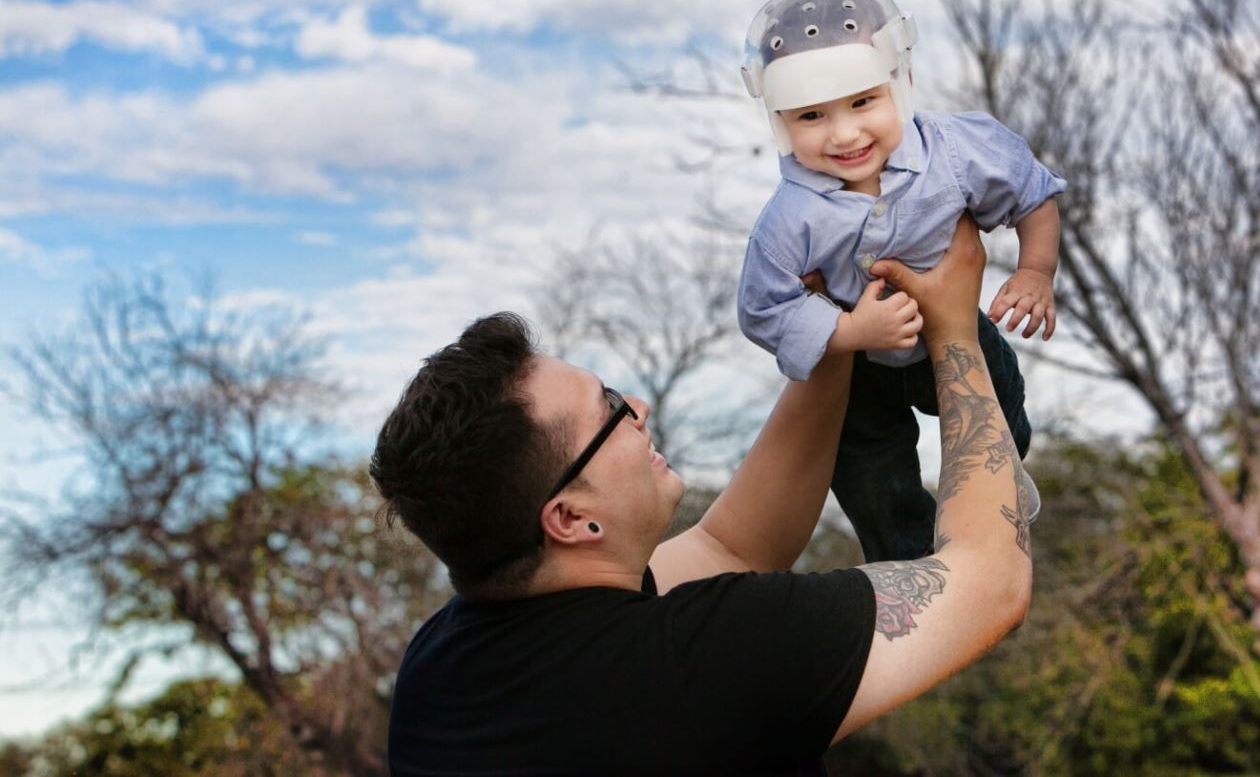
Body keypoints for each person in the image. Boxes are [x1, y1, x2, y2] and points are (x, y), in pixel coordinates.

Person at [370, 215, 1032, 776]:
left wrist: (832, 334)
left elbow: (738, 541)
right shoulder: (710, 660)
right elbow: (992, 580)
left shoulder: (442, 670)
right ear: (571, 516)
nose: (638, 405)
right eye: (610, 410)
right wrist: (953, 332)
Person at [737, 0, 1064, 561]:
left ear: (901, 83)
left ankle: (998, 490)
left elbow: (1032, 193)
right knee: (867, 471)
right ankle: (908, 558)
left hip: (959, 326)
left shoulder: (955, 151)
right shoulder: (790, 218)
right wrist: (849, 333)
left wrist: (1036, 271)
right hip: (862, 364)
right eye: (811, 116)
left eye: (863, 101)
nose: (845, 133)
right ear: (780, 121)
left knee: (1000, 405)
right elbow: (762, 309)